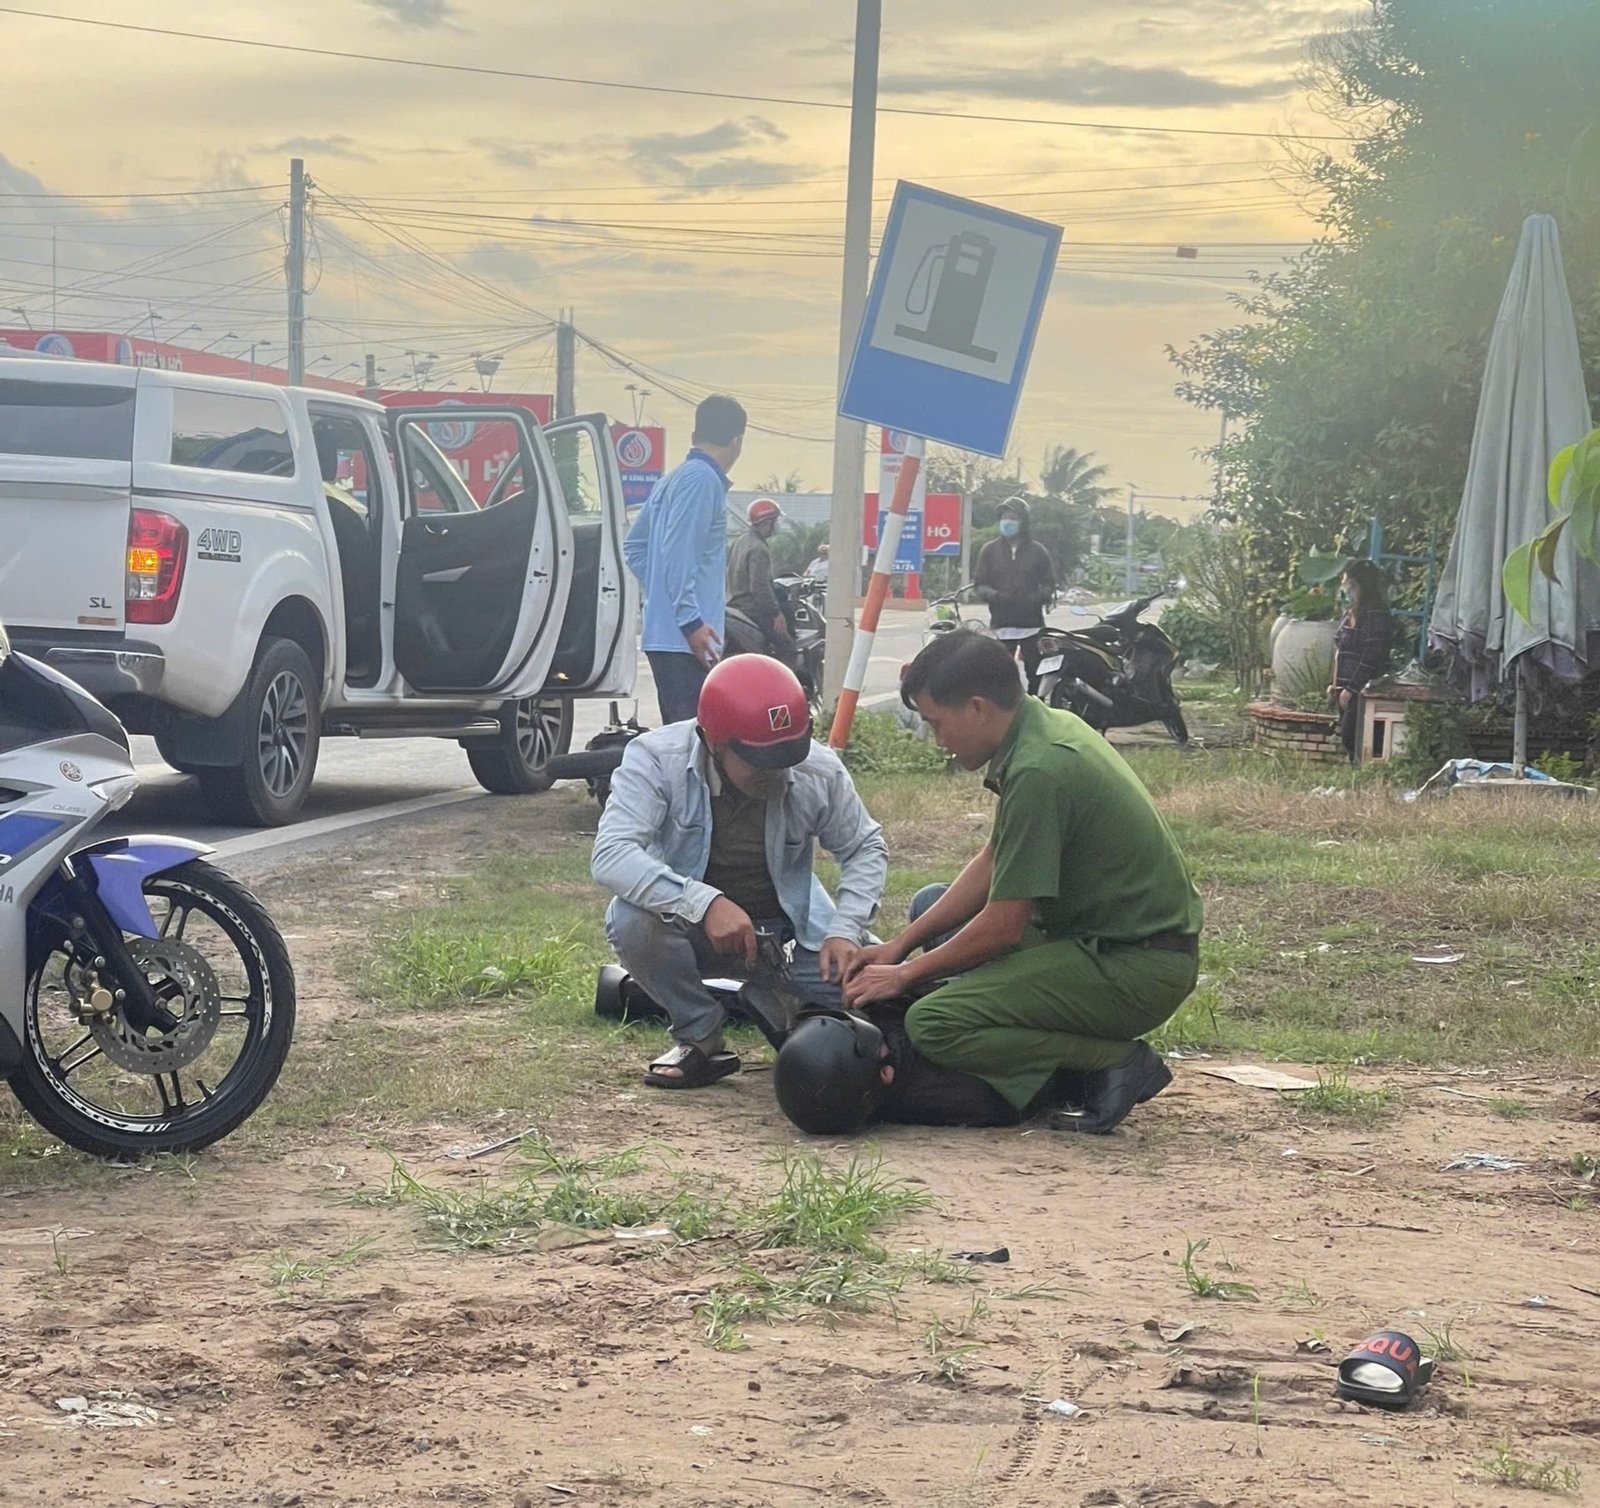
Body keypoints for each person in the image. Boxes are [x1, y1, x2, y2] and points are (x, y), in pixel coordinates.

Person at [843, 630, 1202, 1135]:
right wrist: (900, 947)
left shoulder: (1040, 768)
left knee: (933, 1024)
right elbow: (996, 858)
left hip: (1135, 968)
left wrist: (905, 975)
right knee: (931, 909)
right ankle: (1050, 1052)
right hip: (1106, 942)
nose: (939, 740)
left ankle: (1112, 1061)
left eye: (937, 724)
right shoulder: (1042, 727)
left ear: (976, 708)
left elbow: (1004, 927)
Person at [592, 654, 888, 1089]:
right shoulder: (655, 760)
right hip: (691, 933)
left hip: (791, 940)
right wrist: (705, 903)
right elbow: (612, 854)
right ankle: (700, 1035)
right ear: (714, 741)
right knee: (630, 919)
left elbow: (865, 846)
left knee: (881, 997)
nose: (776, 769)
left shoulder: (818, 770)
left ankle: (785, 1003)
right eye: (758, 758)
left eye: (788, 753)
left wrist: (845, 930)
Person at [623, 394, 747, 725]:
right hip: (687, 639)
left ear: (695, 435)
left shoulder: (673, 479)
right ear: (737, 442)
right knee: (692, 744)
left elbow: (634, 546)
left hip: (667, 635)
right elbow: (679, 554)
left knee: (686, 739)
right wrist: (690, 620)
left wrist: (663, 591)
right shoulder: (702, 481)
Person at [973, 497, 1056, 691]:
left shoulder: (1038, 551)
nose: (1007, 521)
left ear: (1023, 521)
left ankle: (1035, 711)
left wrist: (1035, 598)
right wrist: (995, 596)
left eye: (1012, 517)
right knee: (999, 678)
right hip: (1001, 625)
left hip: (1032, 626)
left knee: (1035, 676)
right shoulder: (989, 551)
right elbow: (980, 585)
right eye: (1003, 517)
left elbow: (1049, 584)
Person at [1328, 559, 1394, 760]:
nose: (1344, 588)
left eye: (1348, 583)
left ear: (1360, 586)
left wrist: (1352, 688)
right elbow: (1340, 649)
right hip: (1344, 686)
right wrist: (1334, 684)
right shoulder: (1349, 614)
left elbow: (1371, 656)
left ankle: (1365, 777)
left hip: (1364, 687)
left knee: (1353, 736)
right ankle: (1355, 777)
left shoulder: (1376, 616)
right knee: (1348, 738)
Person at [726, 497, 792, 658]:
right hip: (752, 609)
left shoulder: (740, 541)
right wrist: (775, 613)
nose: (776, 526)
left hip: (734, 605)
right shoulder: (759, 549)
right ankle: (783, 682)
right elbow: (760, 587)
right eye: (775, 521)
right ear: (767, 522)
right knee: (787, 647)